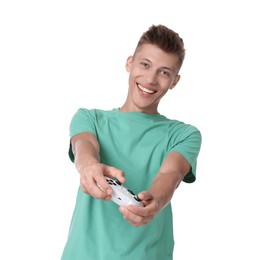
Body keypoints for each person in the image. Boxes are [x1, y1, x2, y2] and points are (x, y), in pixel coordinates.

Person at [61, 24, 202, 260]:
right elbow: (83, 147)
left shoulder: (184, 134)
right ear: (130, 63)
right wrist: (88, 168)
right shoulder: (89, 118)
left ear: (174, 81)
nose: (150, 79)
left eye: (164, 72)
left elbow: (170, 175)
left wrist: (155, 201)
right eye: (145, 65)